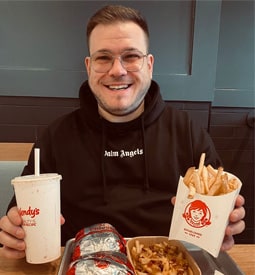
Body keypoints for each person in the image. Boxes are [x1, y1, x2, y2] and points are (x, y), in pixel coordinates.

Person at [0, 5, 245, 259]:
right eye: (103, 58)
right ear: (89, 66)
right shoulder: (55, 138)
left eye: (130, 56)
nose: (117, 70)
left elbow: (220, 217)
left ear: (149, 65)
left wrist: (225, 223)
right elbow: (19, 217)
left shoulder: (188, 133)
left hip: (172, 265)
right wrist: (14, 233)